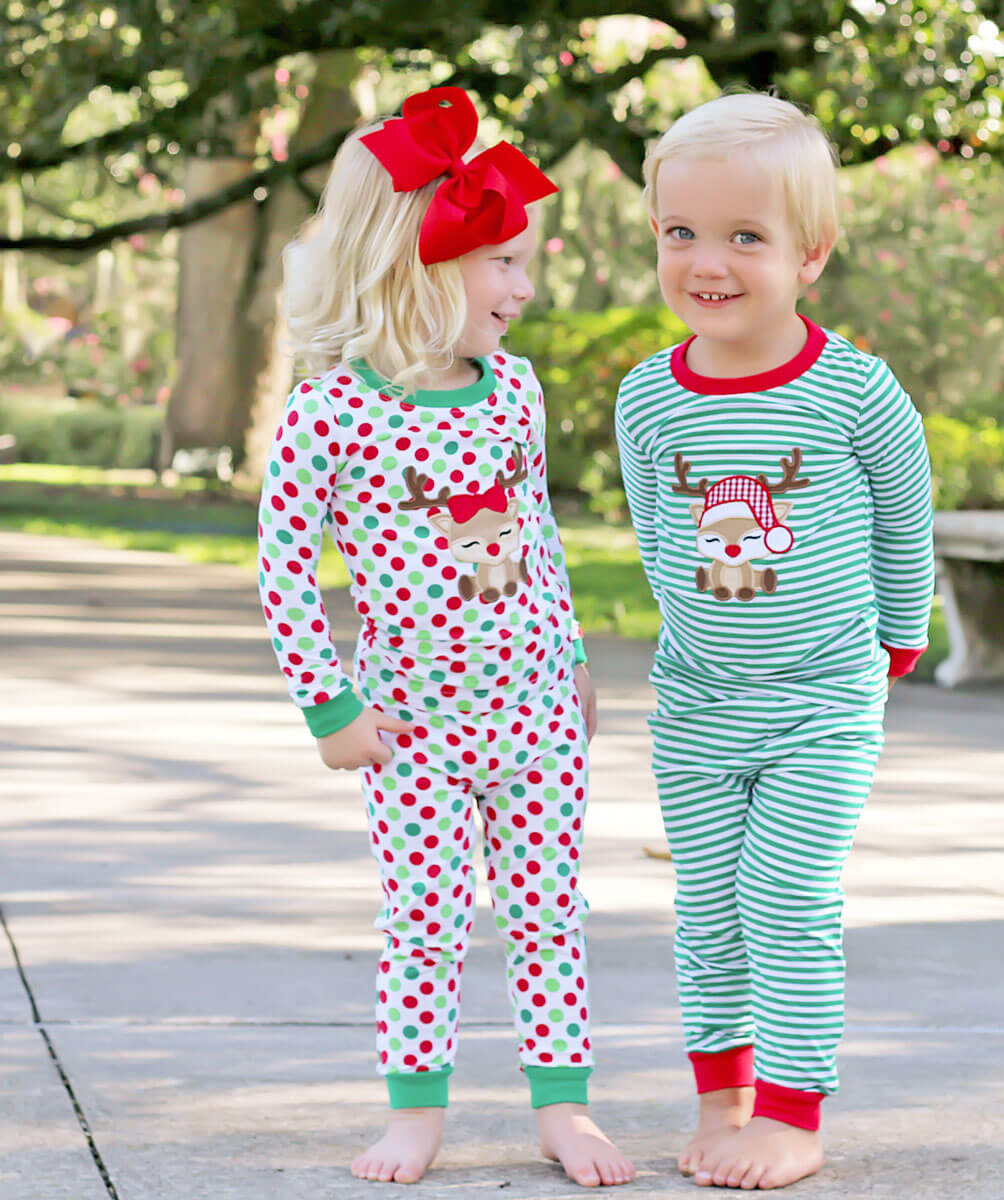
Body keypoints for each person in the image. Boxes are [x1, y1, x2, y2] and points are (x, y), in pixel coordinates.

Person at [258, 85, 635, 1189]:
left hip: (532, 719)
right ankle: (416, 1114)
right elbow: (285, 574)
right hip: (410, 728)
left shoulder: (513, 391)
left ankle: (563, 1109)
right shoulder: (332, 412)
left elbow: (544, 540)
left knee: (548, 912)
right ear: (419, 263)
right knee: (424, 920)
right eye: (504, 263)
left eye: (525, 262)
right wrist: (329, 708)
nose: (524, 287)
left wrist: (571, 665)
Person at [615, 91, 935, 1190]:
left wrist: (900, 632)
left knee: (786, 899)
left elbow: (905, 511)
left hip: (823, 697)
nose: (708, 261)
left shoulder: (854, 391)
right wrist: (695, 639)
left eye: (746, 236)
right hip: (699, 701)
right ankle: (724, 1101)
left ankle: (794, 1114)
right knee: (707, 906)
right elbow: (660, 536)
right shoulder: (647, 398)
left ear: (812, 254)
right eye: (681, 233)